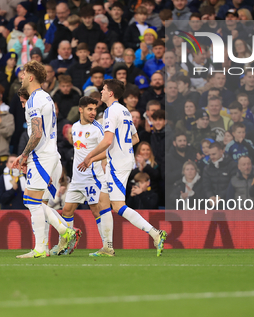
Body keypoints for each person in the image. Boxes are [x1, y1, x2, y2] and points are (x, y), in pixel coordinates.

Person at [79, 79, 167, 257]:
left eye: (103, 89)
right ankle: (107, 247)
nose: (101, 92)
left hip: (117, 165)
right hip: (119, 161)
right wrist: (113, 153)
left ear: (110, 93)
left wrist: (89, 156)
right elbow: (134, 139)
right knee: (103, 202)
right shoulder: (125, 111)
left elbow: (108, 140)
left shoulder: (111, 111)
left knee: (118, 206)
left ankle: (155, 233)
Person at [12, 61, 76, 258]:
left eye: (24, 74)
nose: (21, 77)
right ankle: (48, 243)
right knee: (40, 203)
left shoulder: (33, 100)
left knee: (31, 201)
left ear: (31, 77)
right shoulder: (47, 97)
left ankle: (53, 239)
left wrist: (23, 155)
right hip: (52, 154)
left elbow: (37, 133)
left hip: (41, 156)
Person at [49, 96, 107, 255]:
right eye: (90, 109)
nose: (93, 112)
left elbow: (108, 153)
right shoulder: (74, 127)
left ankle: (107, 246)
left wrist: (93, 160)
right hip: (76, 180)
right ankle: (67, 244)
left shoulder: (98, 129)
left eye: (95, 109)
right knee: (67, 210)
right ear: (80, 109)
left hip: (92, 178)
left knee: (96, 211)